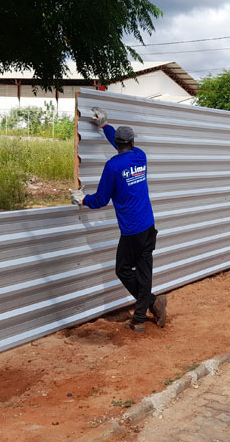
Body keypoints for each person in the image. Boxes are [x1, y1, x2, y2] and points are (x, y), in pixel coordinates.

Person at [69, 108, 166, 333]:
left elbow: (101, 199)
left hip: (131, 231)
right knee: (144, 271)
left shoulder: (112, 167)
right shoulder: (140, 156)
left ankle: (149, 306)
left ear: (120, 144)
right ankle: (143, 315)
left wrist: (82, 200)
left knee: (123, 270)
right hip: (148, 225)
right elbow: (121, 147)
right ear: (132, 142)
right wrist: (105, 127)